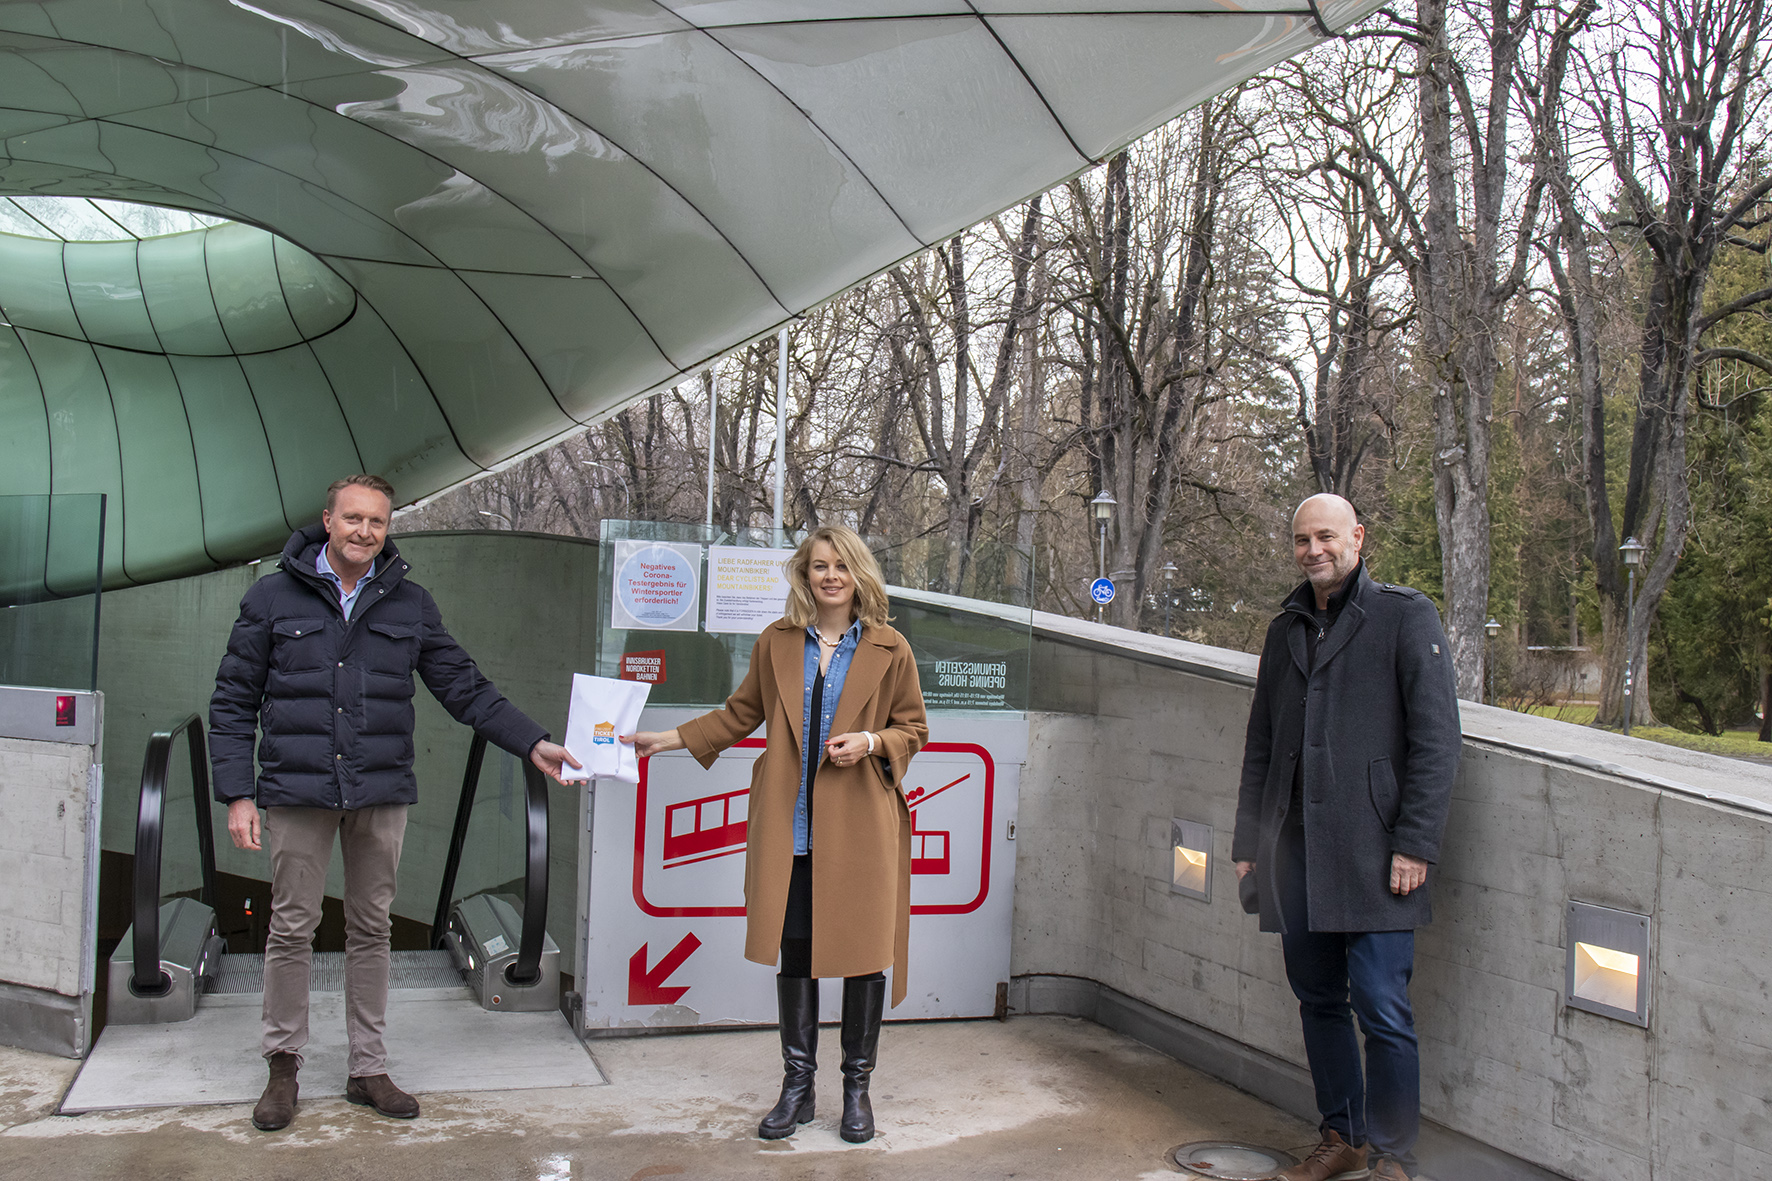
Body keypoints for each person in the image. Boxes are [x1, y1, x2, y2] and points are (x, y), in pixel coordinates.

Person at [209, 474, 579, 1133]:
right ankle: (283, 1061)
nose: (364, 531)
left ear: (386, 529)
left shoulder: (409, 604)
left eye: (376, 522)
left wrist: (533, 743)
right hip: (297, 792)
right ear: (328, 520)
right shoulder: (270, 598)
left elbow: (466, 688)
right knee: (292, 926)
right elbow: (233, 701)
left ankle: (367, 1065)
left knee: (372, 928)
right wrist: (238, 792)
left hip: (381, 792)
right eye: (353, 518)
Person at [625, 525, 928, 1144]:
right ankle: (798, 1088)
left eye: (842, 565)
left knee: (864, 959)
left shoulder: (890, 647)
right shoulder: (778, 642)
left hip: (861, 827)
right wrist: (665, 738)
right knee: (797, 954)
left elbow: (913, 729)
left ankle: (856, 1089)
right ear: (804, 574)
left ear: (859, 574)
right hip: (791, 829)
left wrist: (871, 742)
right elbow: (739, 715)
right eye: (819, 566)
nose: (831, 576)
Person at [1232, 493, 1461, 1181]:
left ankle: (1394, 1156)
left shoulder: (1404, 615)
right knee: (1318, 999)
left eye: (1325, 536)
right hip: (1294, 852)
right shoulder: (1286, 628)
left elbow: (1437, 740)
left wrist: (1416, 841)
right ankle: (1344, 1137)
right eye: (1302, 540)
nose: (1313, 551)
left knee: (1383, 1007)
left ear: (1357, 536)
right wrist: (1250, 840)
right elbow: (1262, 743)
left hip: (1378, 854)